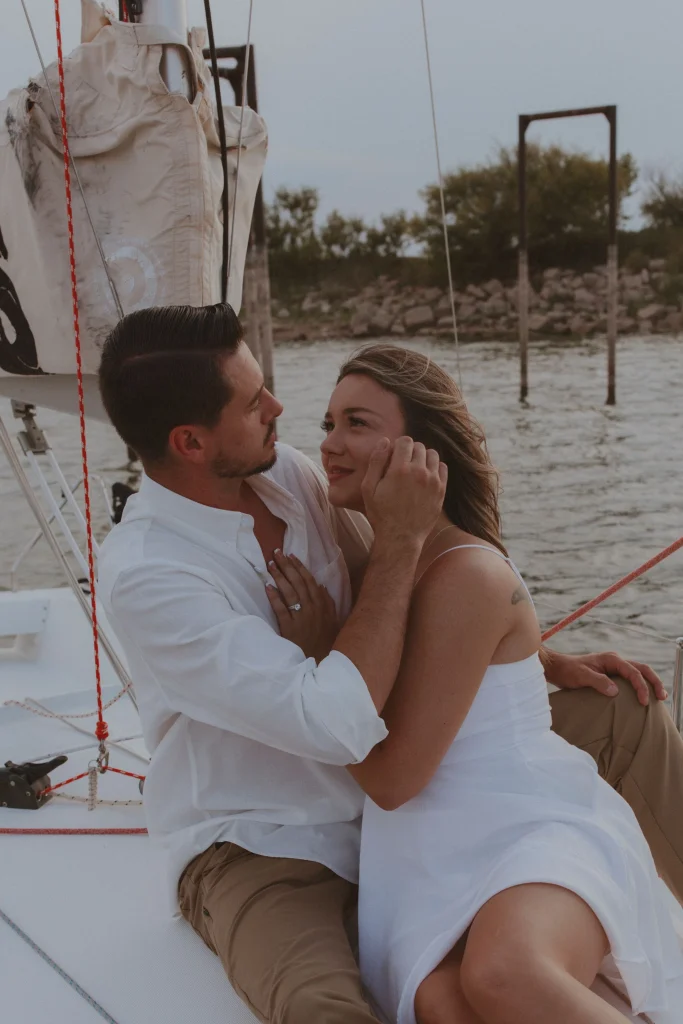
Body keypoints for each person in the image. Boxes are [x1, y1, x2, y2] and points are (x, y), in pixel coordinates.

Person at [96, 304, 683, 1024]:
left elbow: (421, 604)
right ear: (190, 441)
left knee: (623, 707)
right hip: (272, 839)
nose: (281, 409)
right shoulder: (153, 577)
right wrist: (400, 542)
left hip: (407, 784)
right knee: (327, 1010)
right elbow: (344, 724)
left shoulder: (287, 475)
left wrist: (525, 648)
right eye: (254, 403)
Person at [307, 343, 682, 1024]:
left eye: (357, 424)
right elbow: (438, 662)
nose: (330, 445)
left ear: (422, 455)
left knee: (504, 975)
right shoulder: (374, 557)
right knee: (444, 1002)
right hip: (424, 851)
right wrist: (538, 656)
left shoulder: (463, 573)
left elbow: (392, 781)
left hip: (522, 824)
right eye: (328, 425)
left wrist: (312, 658)